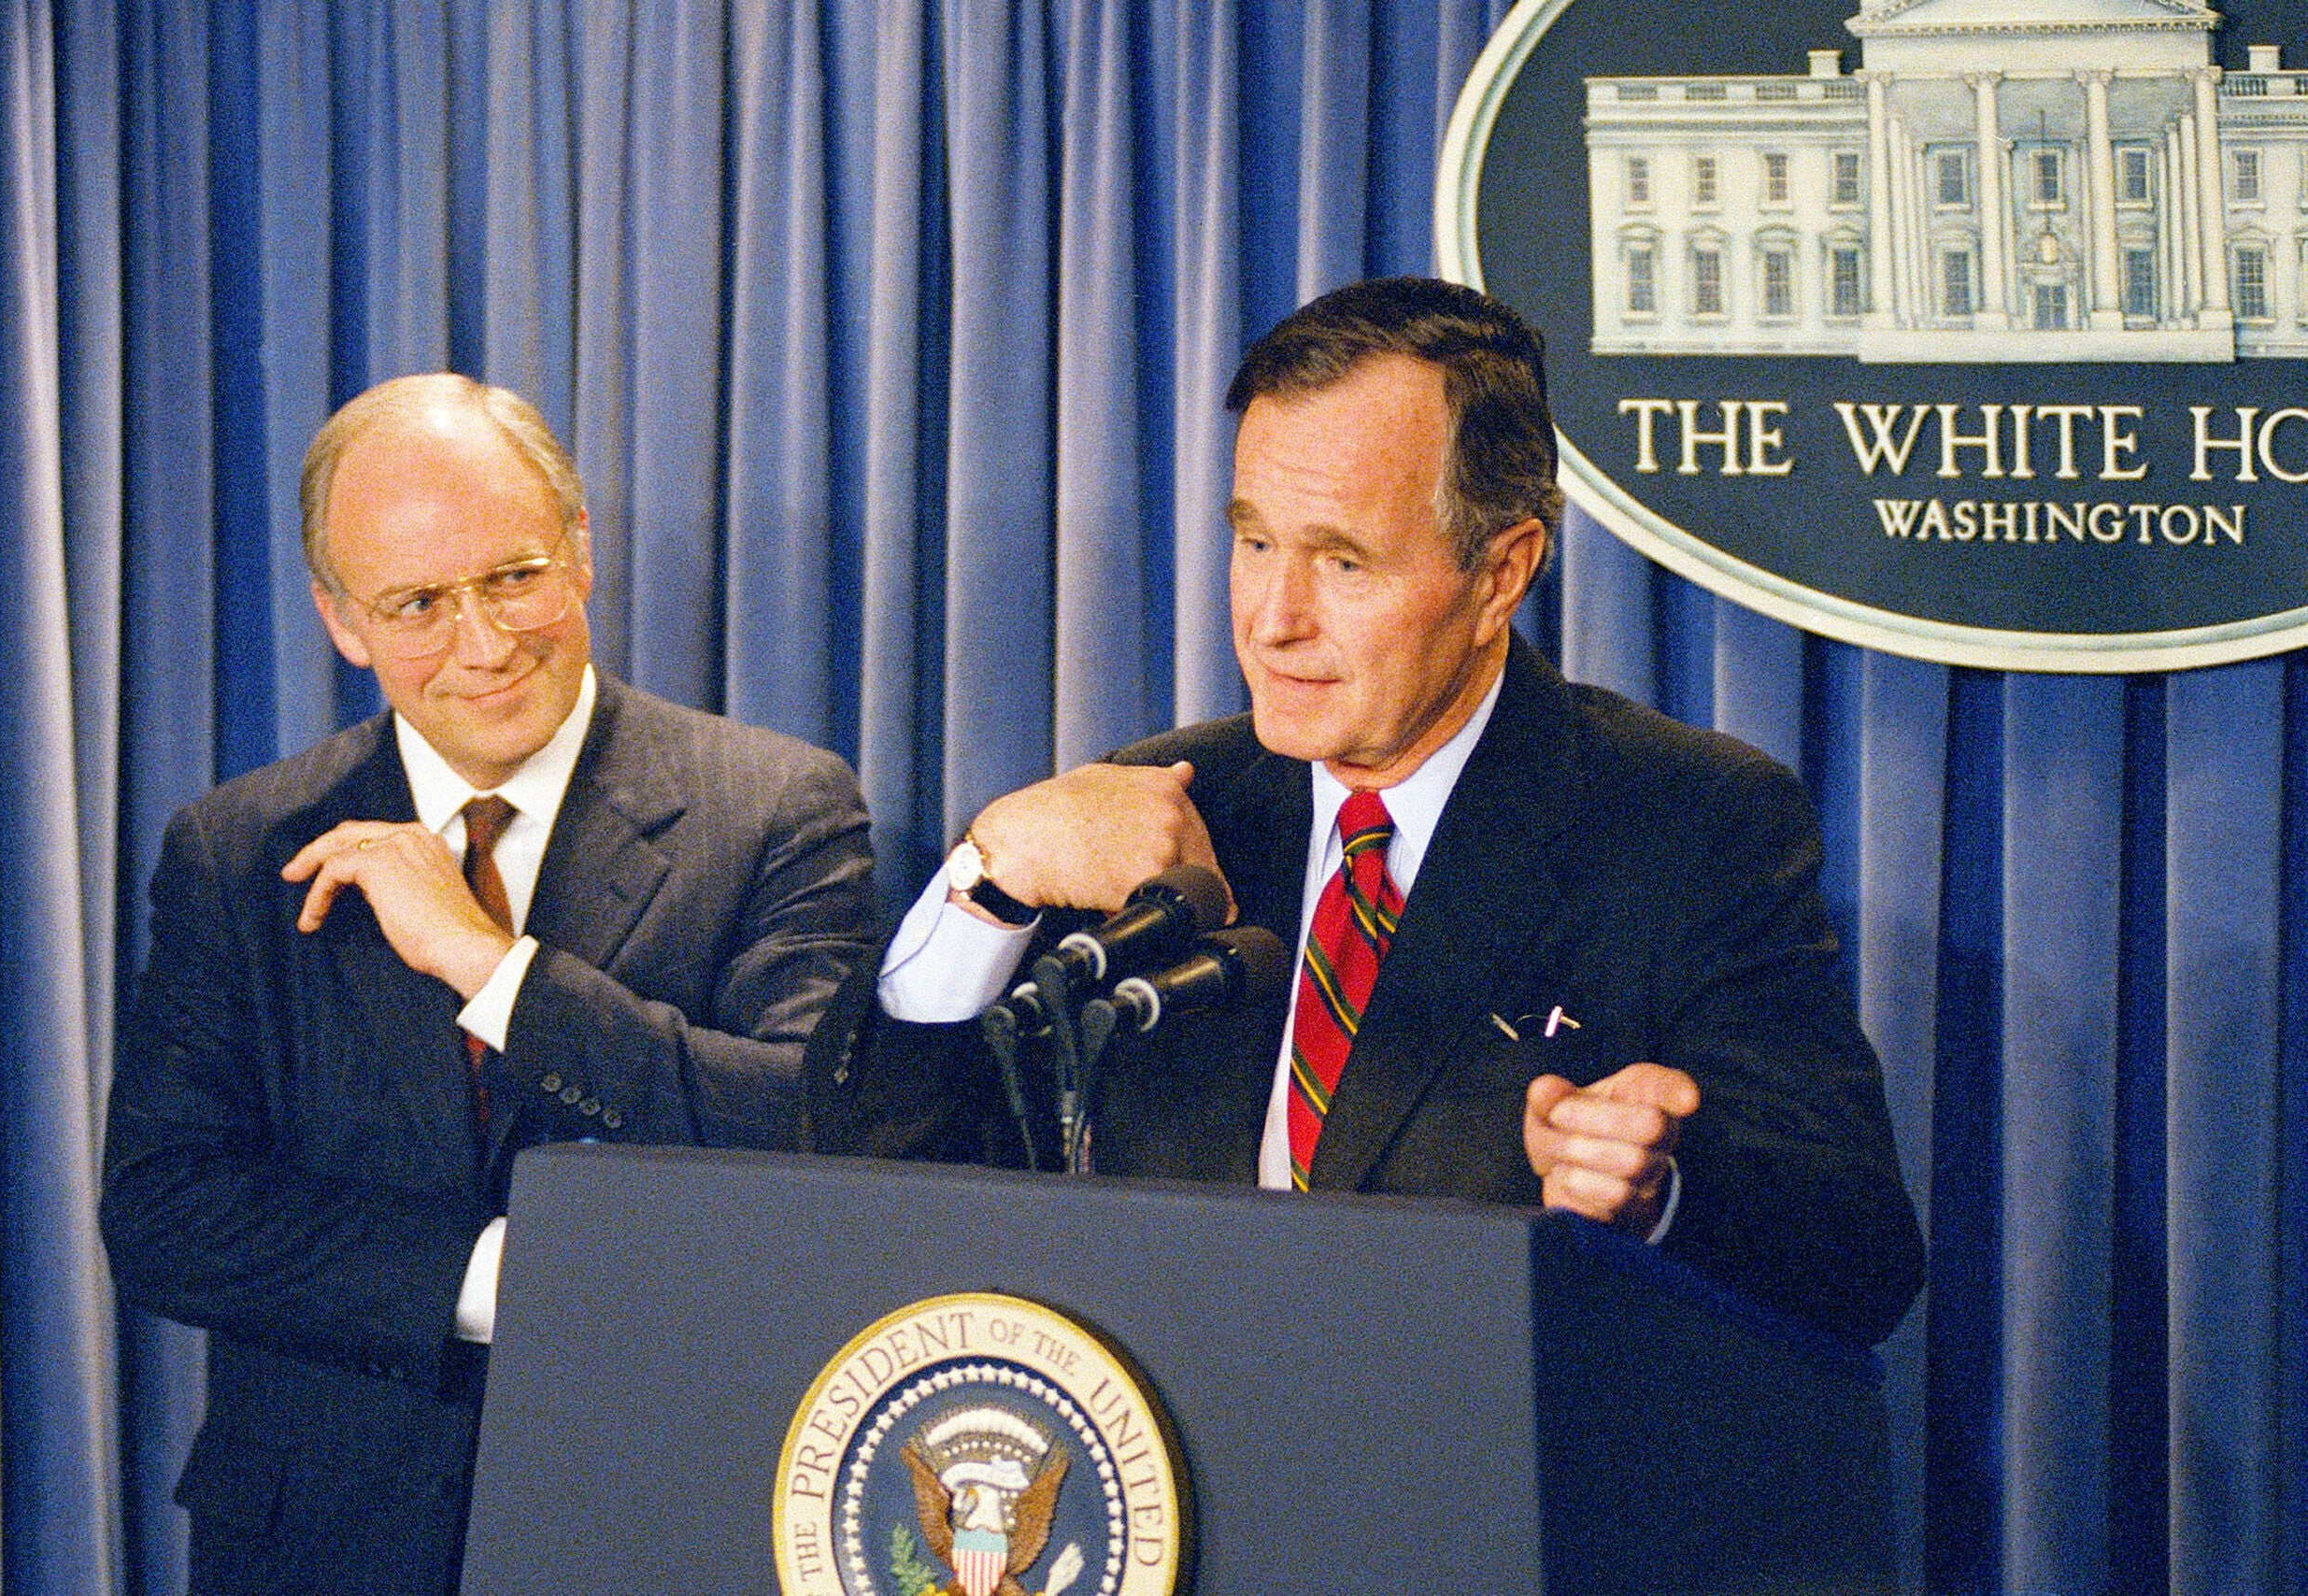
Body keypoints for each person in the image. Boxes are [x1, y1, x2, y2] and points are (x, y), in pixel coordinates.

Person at [810, 277, 1923, 1347]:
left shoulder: (1683, 822)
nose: (1273, 620)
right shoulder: (1159, 808)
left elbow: (1859, 1256)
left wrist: (1664, 1191)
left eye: (1343, 560)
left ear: (1500, 574)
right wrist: (984, 884)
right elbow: (864, 1184)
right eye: (1254, 543)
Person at [100, 374, 877, 1595]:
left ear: (579, 551)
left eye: (514, 576)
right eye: (417, 602)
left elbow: (812, 1132)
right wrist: (506, 1280)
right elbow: (165, 1215)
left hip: (653, 1518)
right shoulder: (237, 846)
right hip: (314, 1542)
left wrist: (489, 964)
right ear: (342, 621)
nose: (483, 643)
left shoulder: (776, 808)